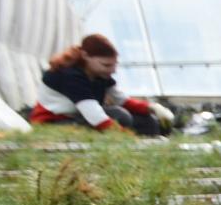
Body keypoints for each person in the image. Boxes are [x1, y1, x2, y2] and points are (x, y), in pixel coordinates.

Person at [30, 34, 171, 135]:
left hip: (79, 117)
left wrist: (153, 108)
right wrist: (128, 138)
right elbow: (96, 117)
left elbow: (121, 100)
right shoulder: (70, 76)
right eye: (106, 65)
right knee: (121, 117)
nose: (113, 70)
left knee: (147, 121)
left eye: (114, 65)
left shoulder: (99, 74)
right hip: (54, 123)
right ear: (85, 56)